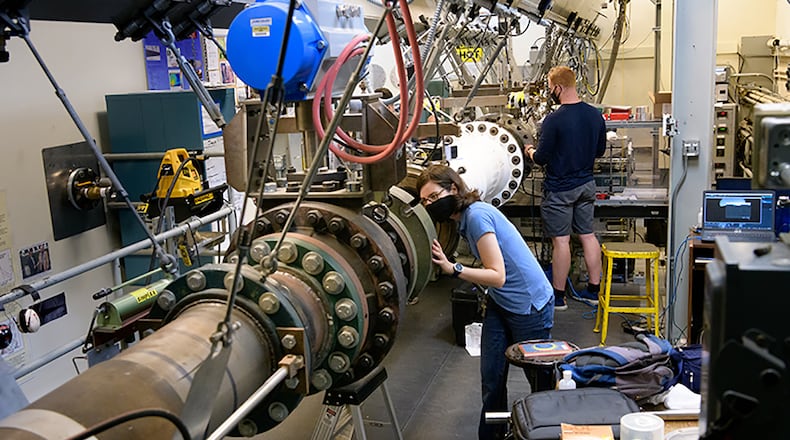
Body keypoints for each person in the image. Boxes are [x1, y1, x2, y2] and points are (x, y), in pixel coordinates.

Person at [417, 164, 553, 440]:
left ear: (453, 189)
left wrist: (453, 268)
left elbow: (497, 275)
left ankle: (547, 432)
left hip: (529, 306)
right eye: (424, 201)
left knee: (540, 385)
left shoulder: (477, 216)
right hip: (500, 303)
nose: (430, 205)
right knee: (492, 380)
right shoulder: (463, 220)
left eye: (433, 197)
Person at [525, 65, 606, 310]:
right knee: (587, 235)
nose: (551, 92)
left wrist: (530, 151)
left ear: (558, 88)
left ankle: (559, 297)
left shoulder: (554, 120)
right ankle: (593, 291)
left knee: (561, 242)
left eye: (551, 88)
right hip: (586, 185)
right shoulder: (595, 115)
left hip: (560, 189)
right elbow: (600, 151)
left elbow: (542, 158)